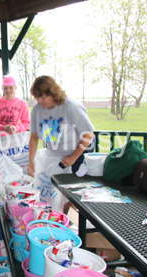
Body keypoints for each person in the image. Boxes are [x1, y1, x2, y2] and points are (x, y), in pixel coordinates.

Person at [28, 76, 95, 211]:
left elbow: (88, 134)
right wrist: (31, 161)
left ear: (53, 93)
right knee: (55, 189)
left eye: (43, 97)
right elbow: (34, 136)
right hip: (56, 153)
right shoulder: (37, 109)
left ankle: (68, 221)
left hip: (79, 151)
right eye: (37, 97)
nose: (40, 101)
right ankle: (57, 217)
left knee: (72, 193)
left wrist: (73, 158)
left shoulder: (70, 106)